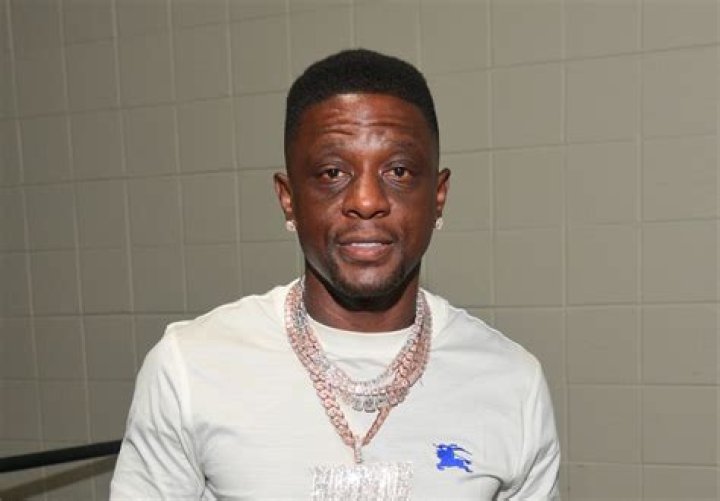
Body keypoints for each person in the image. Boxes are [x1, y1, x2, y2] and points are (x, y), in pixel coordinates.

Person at [110, 49, 560, 500]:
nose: (366, 201)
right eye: (332, 173)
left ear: (438, 196)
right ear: (289, 198)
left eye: (398, 171)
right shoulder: (191, 368)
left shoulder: (511, 383)